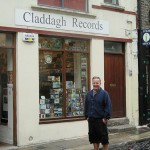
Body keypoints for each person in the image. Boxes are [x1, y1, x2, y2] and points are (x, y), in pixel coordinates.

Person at [84, 76, 112, 150]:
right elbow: (86, 105)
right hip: (92, 120)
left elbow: (108, 106)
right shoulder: (89, 94)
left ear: (100, 83)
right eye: (94, 83)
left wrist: (105, 117)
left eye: (97, 83)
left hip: (101, 120)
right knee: (94, 139)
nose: (95, 84)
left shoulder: (104, 94)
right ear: (92, 83)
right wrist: (87, 116)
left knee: (104, 140)